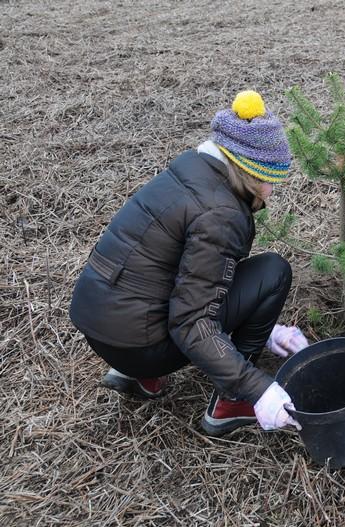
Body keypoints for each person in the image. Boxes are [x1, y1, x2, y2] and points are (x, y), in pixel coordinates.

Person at [70, 90, 309, 436]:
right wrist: (259, 389)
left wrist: (265, 330)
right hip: (139, 345)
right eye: (269, 180)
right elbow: (190, 321)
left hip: (99, 325)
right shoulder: (222, 213)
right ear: (249, 172)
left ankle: (139, 376)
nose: (271, 191)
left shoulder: (191, 169)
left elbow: (184, 273)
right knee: (273, 272)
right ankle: (231, 402)